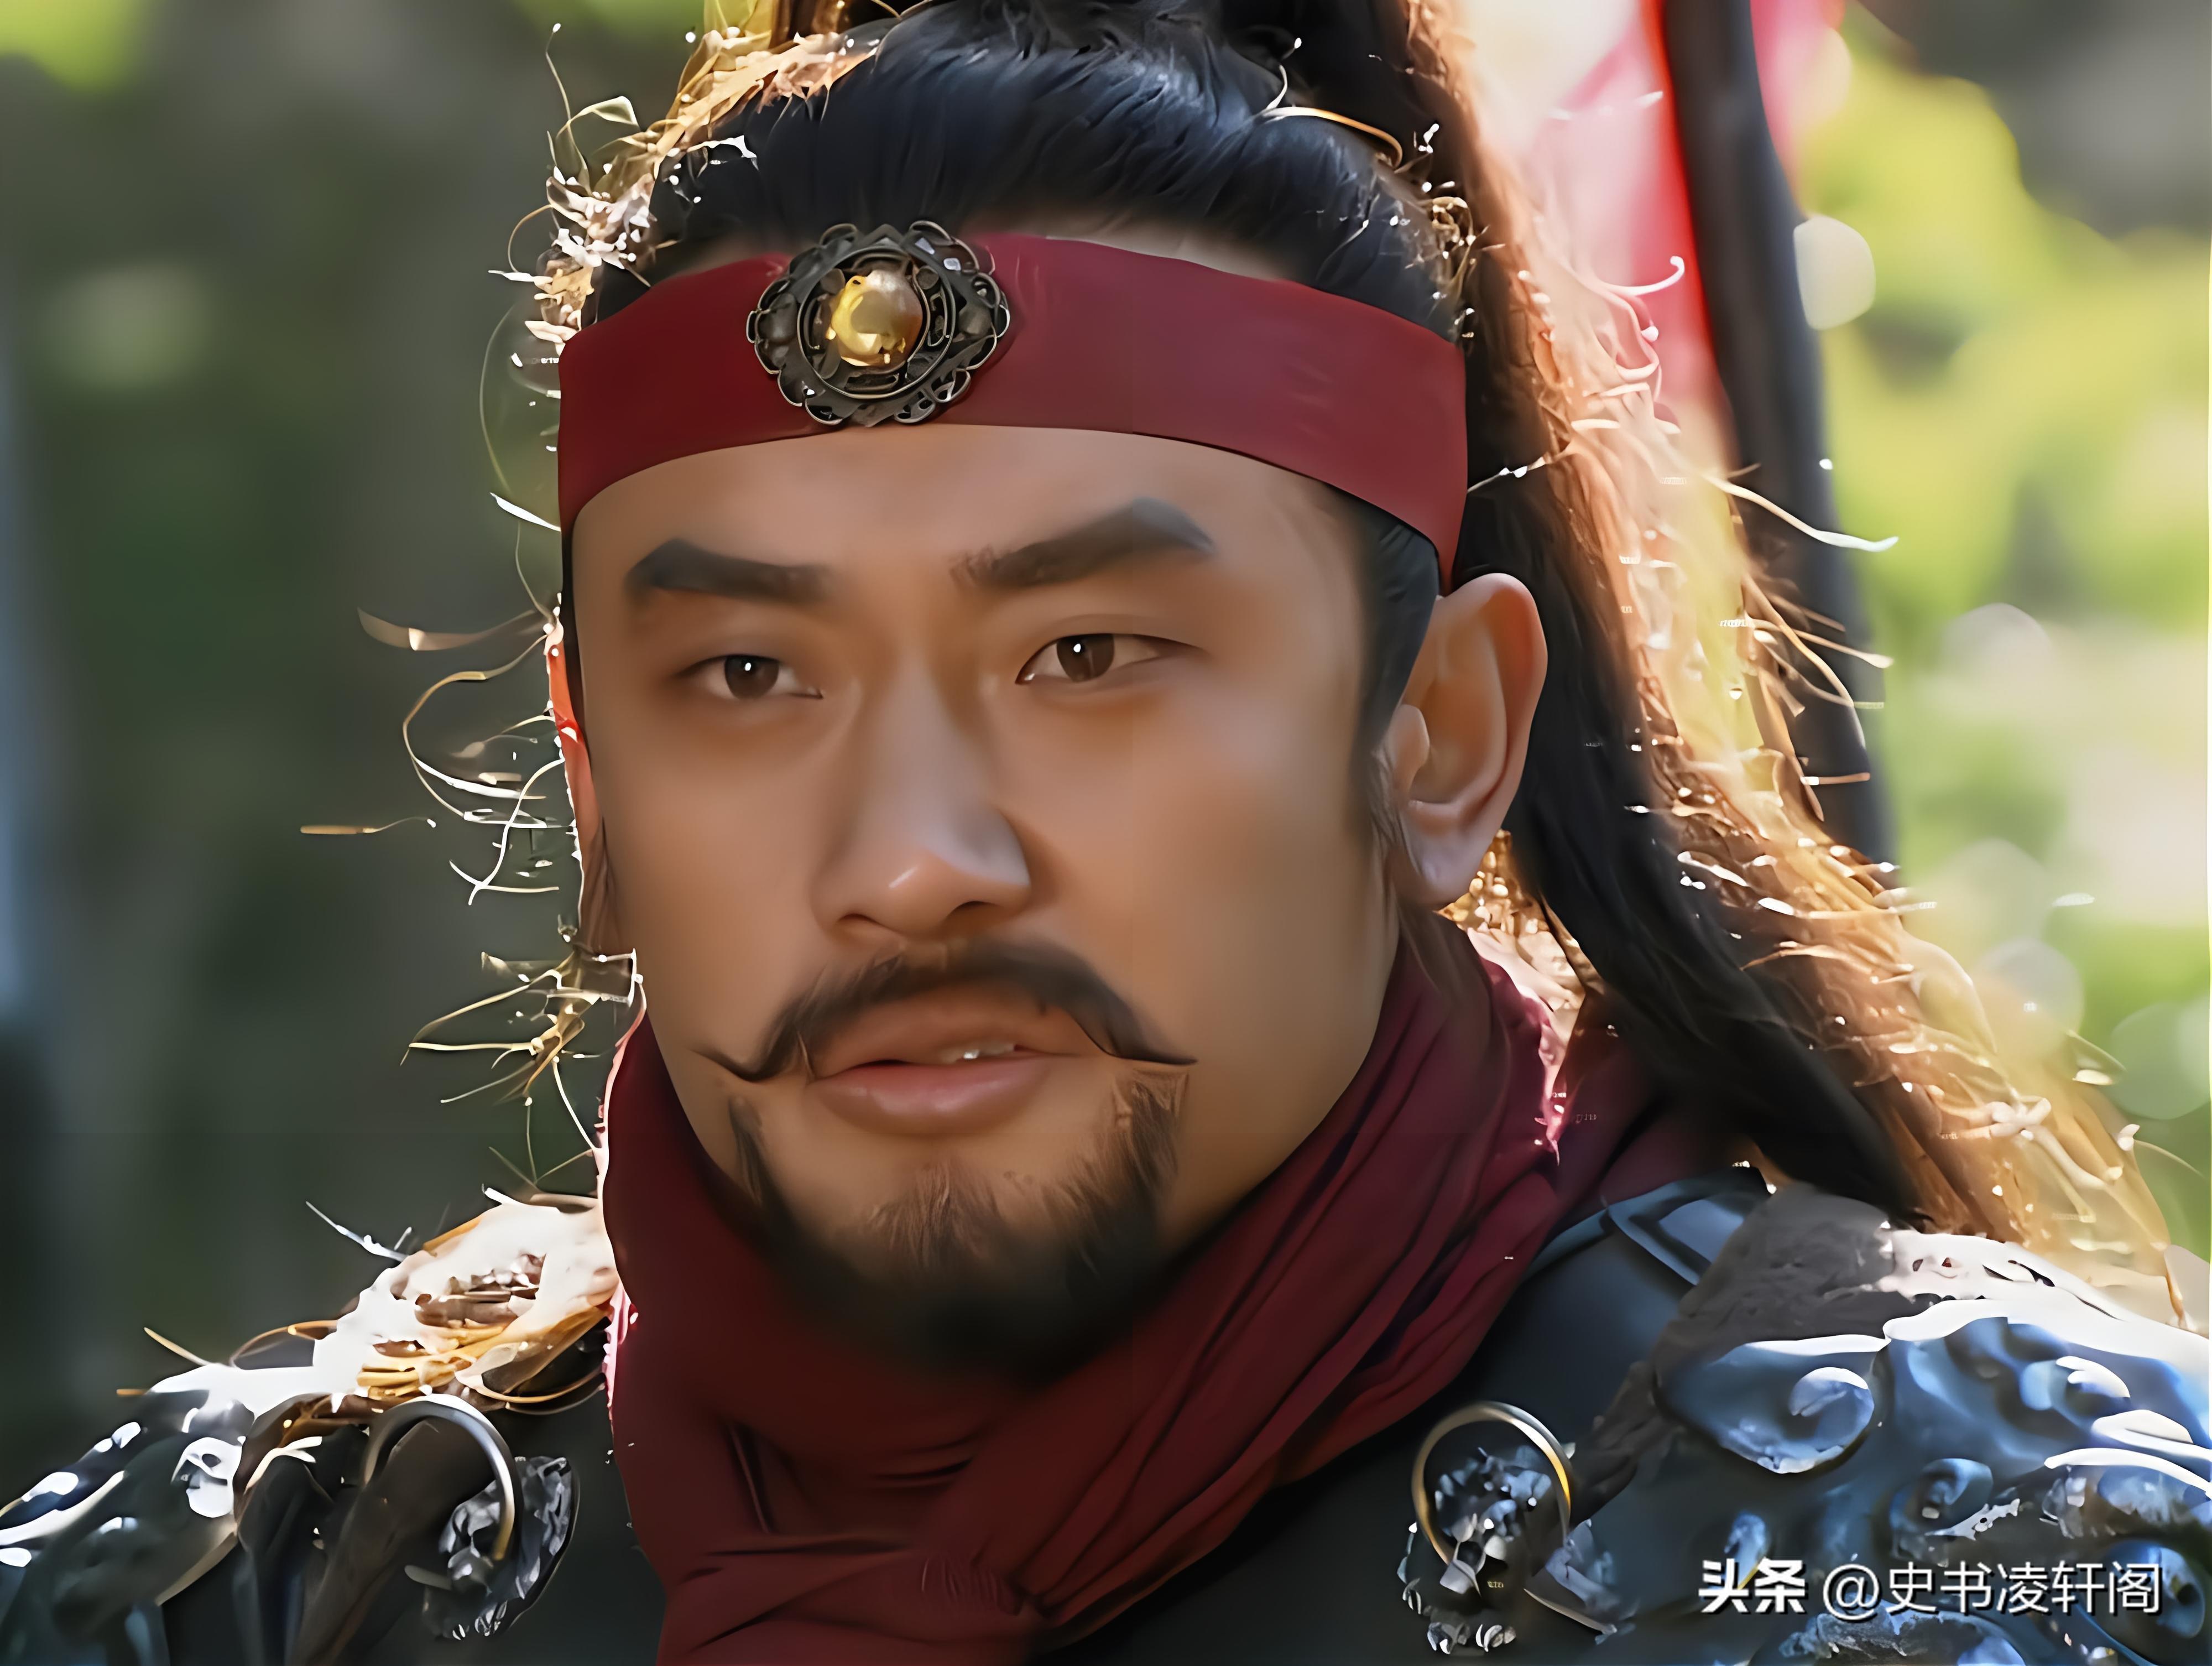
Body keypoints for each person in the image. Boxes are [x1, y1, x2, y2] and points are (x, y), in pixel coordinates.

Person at [2, 1, 2204, 1663]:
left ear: (1440, 735)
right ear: (596, 787)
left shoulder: (1986, 1551)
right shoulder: (257, 1582)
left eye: (1087, 656)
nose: (911, 859)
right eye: (749, 678)